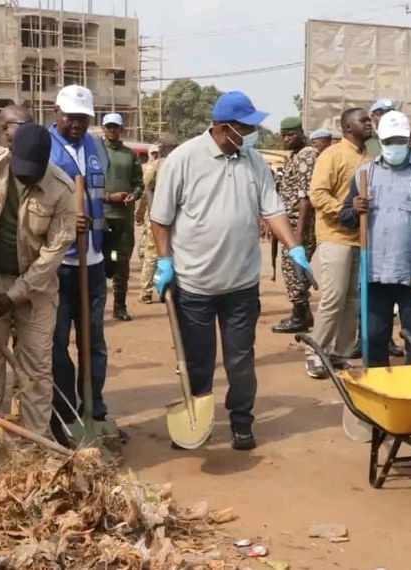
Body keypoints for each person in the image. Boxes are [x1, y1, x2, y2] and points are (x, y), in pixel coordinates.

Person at [150, 91, 314, 450]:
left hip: (241, 283)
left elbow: (272, 210)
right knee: (199, 360)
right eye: (248, 126)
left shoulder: (253, 161)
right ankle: (199, 420)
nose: (255, 132)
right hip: (195, 283)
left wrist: (294, 246)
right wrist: (164, 261)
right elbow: (160, 218)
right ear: (226, 127)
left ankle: (241, 421)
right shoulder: (183, 160)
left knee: (241, 360)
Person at [0, 122, 76, 458]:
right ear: (10, 152)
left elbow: (52, 256)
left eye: (33, 173)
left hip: (35, 286)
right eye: (22, 170)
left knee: (36, 367)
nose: (27, 178)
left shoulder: (62, 190)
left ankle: (35, 443)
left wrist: (14, 296)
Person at [340, 112, 411, 367]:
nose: (394, 146)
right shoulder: (365, 174)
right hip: (373, 274)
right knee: (373, 339)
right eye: (389, 140)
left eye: (399, 140)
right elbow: (346, 218)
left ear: (408, 139)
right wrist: (355, 209)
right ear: (380, 140)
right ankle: (379, 397)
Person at [46, 85, 114, 447]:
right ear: (56, 112)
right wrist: (67, 224)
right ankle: (66, 412)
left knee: (94, 342)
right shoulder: (45, 148)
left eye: (83, 118)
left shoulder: (96, 146)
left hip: (94, 260)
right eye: (70, 116)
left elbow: (99, 197)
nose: (76, 124)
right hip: (59, 264)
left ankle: (94, 406)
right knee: (58, 343)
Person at [304, 107, 371, 378]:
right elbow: (317, 194)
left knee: (352, 301)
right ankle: (315, 353)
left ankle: (340, 354)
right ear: (347, 128)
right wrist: (345, 210)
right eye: (363, 120)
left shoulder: (371, 157)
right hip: (335, 237)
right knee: (333, 297)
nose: (369, 124)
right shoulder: (332, 155)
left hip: (361, 240)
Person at [270, 117, 318, 335]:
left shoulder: (307, 156)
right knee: (290, 269)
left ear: (300, 132)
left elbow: (306, 197)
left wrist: (298, 232)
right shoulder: (294, 156)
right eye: (283, 135)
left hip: (301, 225)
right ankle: (301, 313)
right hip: (288, 222)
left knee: (293, 269)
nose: (286, 139)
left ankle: (301, 316)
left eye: (290, 134)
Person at [99, 113, 143, 322]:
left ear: (122, 130)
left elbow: (139, 183)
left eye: (116, 127)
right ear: (103, 128)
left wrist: (134, 195)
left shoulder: (130, 154)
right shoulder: (97, 153)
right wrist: (108, 197)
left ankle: (120, 306)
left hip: (123, 220)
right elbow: (86, 186)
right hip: (101, 219)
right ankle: (95, 307)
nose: (112, 130)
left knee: (120, 262)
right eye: (109, 127)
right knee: (99, 263)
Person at [136, 136, 176, 304]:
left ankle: (146, 292)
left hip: (156, 216)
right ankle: (170, 290)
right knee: (173, 253)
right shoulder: (180, 165)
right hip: (175, 216)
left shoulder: (153, 166)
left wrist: (140, 214)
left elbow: (145, 191)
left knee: (152, 254)